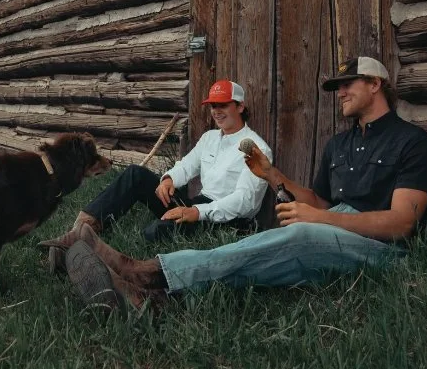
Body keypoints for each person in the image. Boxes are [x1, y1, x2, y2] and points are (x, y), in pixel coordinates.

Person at [41, 56, 427, 311]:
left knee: (291, 237)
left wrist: (319, 221)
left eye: (348, 84)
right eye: (336, 87)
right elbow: (320, 200)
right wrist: (273, 176)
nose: (339, 93)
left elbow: (401, 224)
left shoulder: (413, 142)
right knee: (258, 245)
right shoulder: (339, 144)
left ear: (376, 84)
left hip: (378, 249)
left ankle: (144, 274)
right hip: (328, 222)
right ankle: (138, 285)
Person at [50, 79, 273, 269]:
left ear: (240, 106)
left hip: (226, 219)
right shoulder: (210, 138)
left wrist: (197, 212)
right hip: (197, 205)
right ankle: (79, 233)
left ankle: (101, 263)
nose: (216, 111)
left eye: (223, 104)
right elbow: (187, 165)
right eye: (213, 105)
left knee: (155, 232)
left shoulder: (257, 149)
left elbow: (245, 202)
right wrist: (169, 179)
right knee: (135, 175)